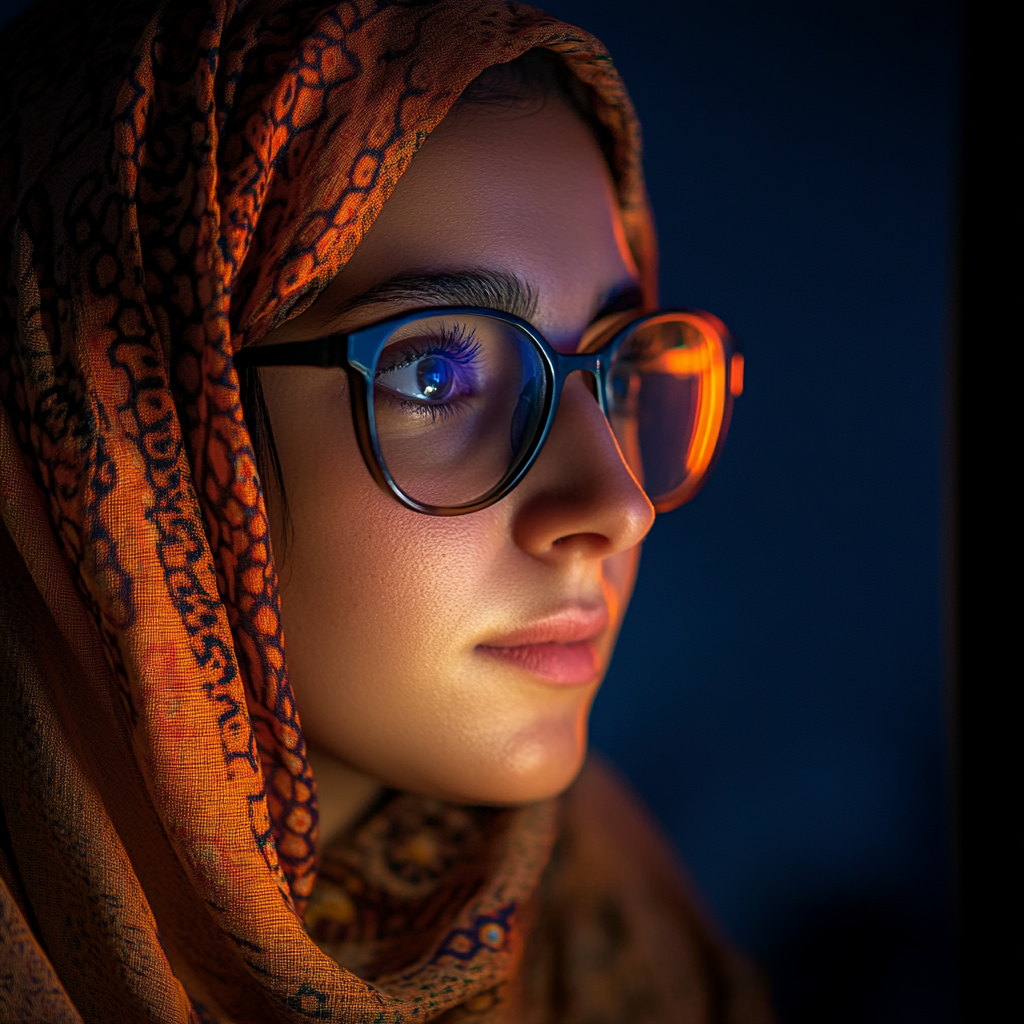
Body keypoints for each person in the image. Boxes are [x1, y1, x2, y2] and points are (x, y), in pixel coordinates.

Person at [0, 1, 773, 1021]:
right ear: (133, 420)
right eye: (436, 370)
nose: (616, 504)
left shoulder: (624, 932)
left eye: (620, 364)